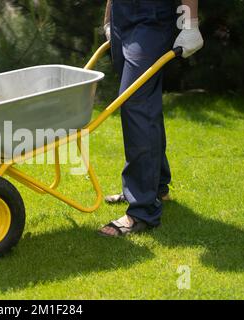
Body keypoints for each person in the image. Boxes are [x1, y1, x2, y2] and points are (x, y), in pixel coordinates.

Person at [99, 0, 204, 237]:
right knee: (144, 104)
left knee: (135, 103)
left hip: (150, 16)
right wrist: (109, 17)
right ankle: (155, 187)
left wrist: (190, 24)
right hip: (122, 15)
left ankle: (141, 211)